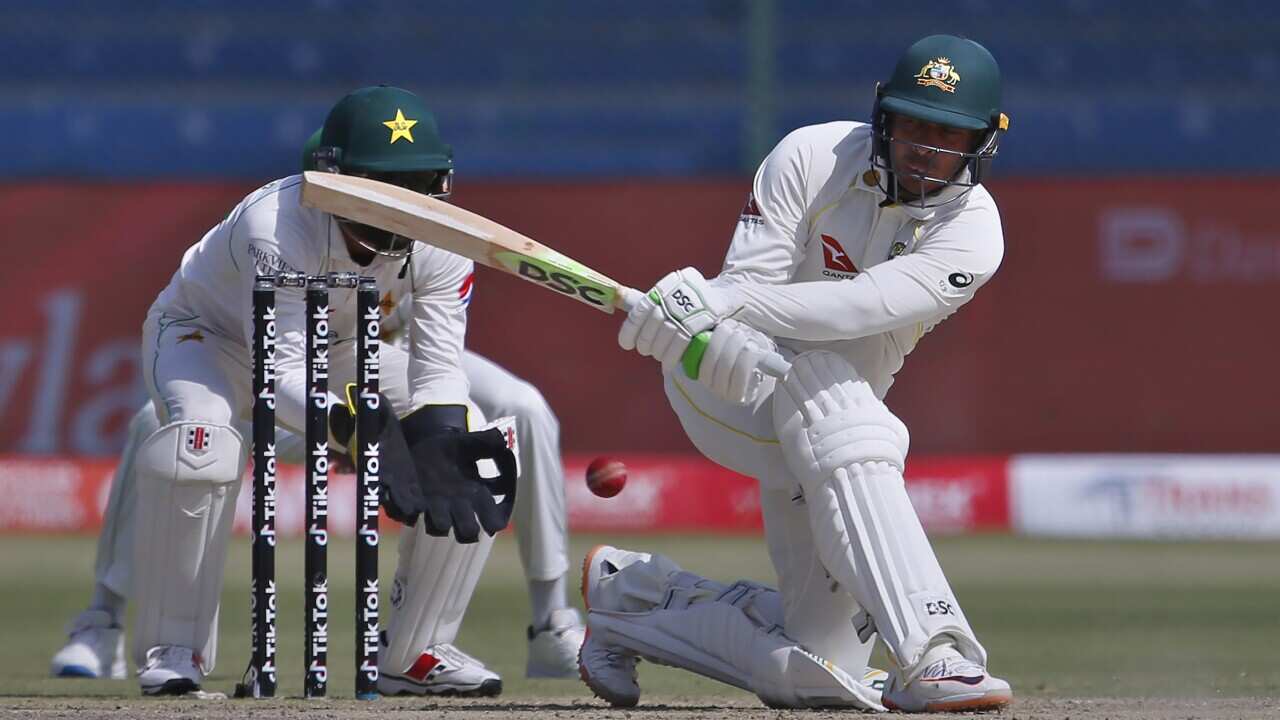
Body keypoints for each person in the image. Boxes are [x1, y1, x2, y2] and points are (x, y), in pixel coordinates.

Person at [50, 122, 586, 692]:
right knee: (197, 446)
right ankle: (172, 649)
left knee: (470, 442)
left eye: (415, 186)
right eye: (383, 187)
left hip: (343, 346)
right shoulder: (275, 224)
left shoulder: (443, 241)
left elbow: (437, 370)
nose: (400, 208)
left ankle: (415, 651)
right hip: (212, 339)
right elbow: (277, 370)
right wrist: (360, 429)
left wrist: (434, 437)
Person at [579, 35, 1013, 712]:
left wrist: (726, 300)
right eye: (913, 125)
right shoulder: (811, 155)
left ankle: (632, 598)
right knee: (841, 396)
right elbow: (744, 287)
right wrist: (700, 331)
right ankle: (934, 650)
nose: (926, 147)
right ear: (883, 118)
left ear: (982, 145)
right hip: (728, 390)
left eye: (949, 135)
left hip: (835, 445)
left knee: (818, 667)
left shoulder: (975, 235)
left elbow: (864, 305)